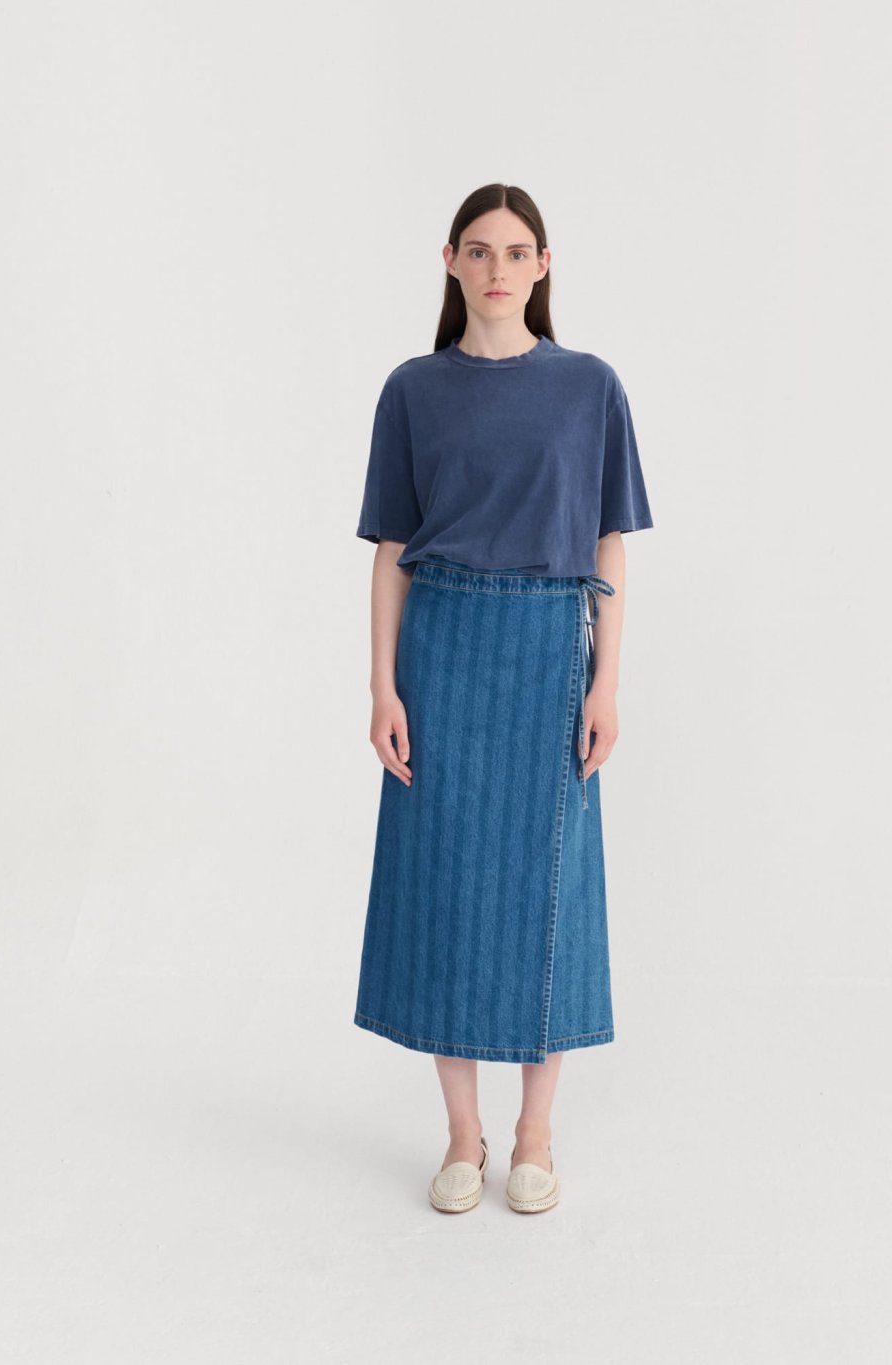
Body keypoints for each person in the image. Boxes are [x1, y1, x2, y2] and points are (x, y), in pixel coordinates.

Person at [353, 183, 654, 1214]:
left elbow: (609, 541)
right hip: (441, 648)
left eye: (516, 252)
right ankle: (461, 1135)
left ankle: (534, 1135)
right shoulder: (412, 390)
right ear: (450, 262)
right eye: (478, 251)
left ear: (543, 266)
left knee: (546, 889)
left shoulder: (589, 387)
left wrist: (606, 679)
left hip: (549, 650)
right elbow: (392, 547)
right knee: (445, 886)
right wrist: (383, 684)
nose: (497, 269)